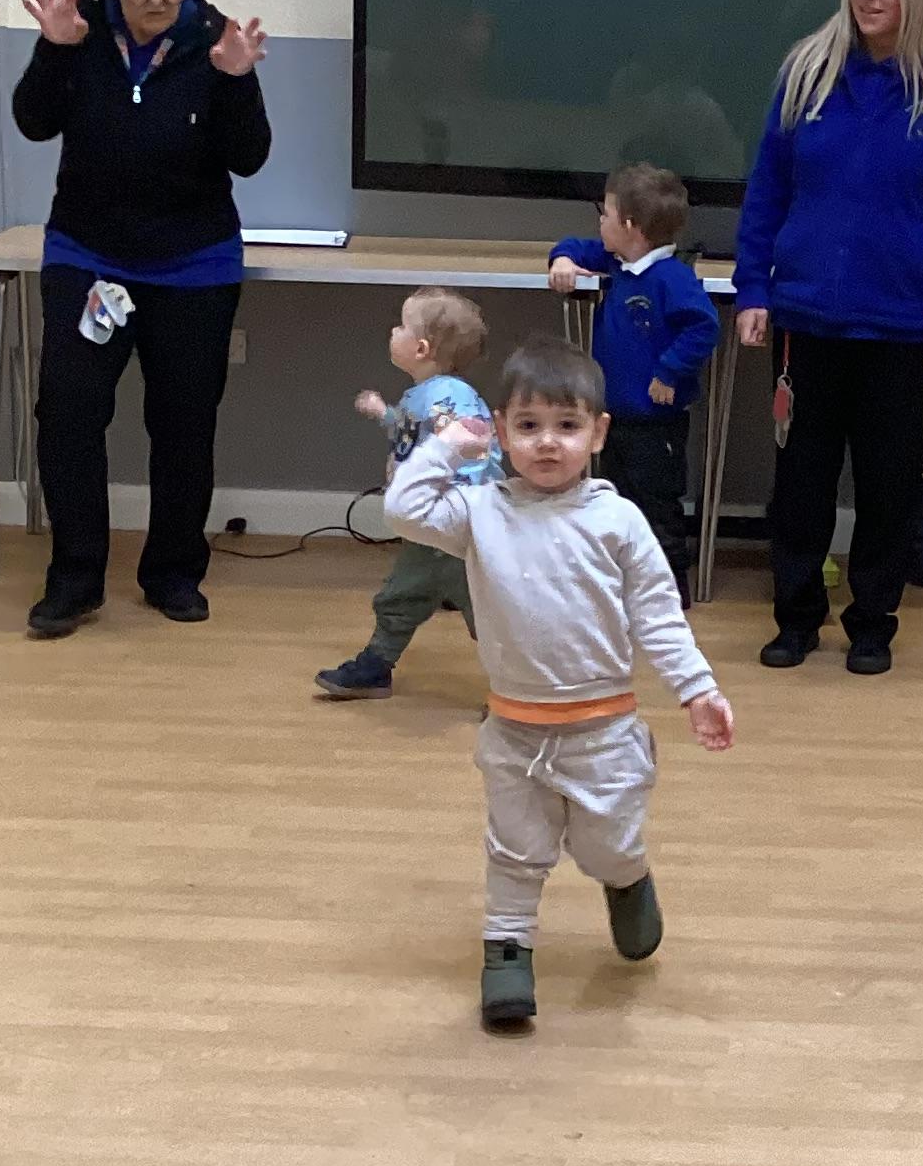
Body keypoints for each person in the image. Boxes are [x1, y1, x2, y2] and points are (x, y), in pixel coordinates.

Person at [384, 342, 735, 1031]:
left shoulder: (617, 521)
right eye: (528, 426)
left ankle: (626, 878)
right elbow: (404, 509)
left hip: (603, 732)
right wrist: (449, 446)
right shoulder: (480, 513)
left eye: (567, 426)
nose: (547, 442)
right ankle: (507, 950)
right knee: (515, 849)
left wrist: (697, 689)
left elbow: (658, 616)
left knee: (607, 843)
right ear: (501, 430)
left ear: (597, 433)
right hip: (514, 731)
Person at [732, 0, 923, 677]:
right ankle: (795, 617)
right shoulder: (806, 72)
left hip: (901, 328)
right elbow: (767, 191)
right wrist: (753, 288)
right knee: (801, 482)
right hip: (804, 320)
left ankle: (873, 622)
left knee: (887, 488)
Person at [11, 0, 271, 640]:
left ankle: (173, 573)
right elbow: (33, 122)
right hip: (89, 256)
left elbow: (249, 158)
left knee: (183, 422)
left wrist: (236, 80)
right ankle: (74, 579)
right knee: (68, 411)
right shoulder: (81, 29)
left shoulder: (216, 40)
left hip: (194, 265)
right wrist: (54, 50)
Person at [315, 289, 498, 701]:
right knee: (402, 594)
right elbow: (410, 431)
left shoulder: (448, 397)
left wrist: (461, 506)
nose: (393, 331)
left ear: (421, 348)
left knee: (484, 608)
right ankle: (376, 664)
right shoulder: (424, 394)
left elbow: (468, 445)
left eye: (401, 326)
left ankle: (517, 687)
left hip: (454, 524)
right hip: (427, 524)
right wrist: (383, 413)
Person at [546, 163, 721, 582]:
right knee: (616, 501)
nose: (600, 222)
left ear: (629, 226)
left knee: (656, 507)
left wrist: (669, 371)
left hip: (656, 423)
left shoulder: (672, 278)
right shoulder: (618, 262)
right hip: (616, 416)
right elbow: (574, 247)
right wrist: (563, 260)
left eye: (605, 214)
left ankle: (670, 588)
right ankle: (625, 583)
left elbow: (703, 326)